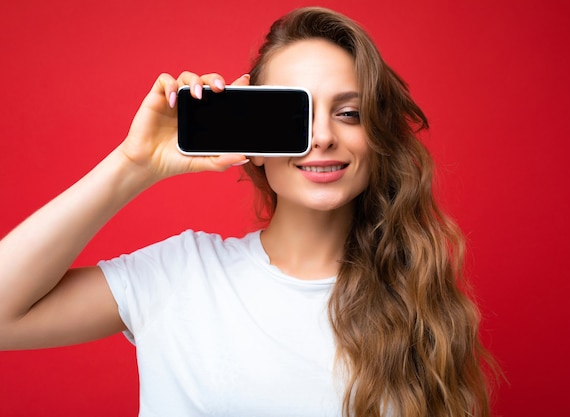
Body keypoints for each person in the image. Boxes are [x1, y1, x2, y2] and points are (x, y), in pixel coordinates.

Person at [0, 7, 497, 417]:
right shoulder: (180, 274)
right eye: (294, 114)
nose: (322, 136)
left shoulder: (417, 301)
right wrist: (135, 164)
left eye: (349, 112)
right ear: (252, 142)